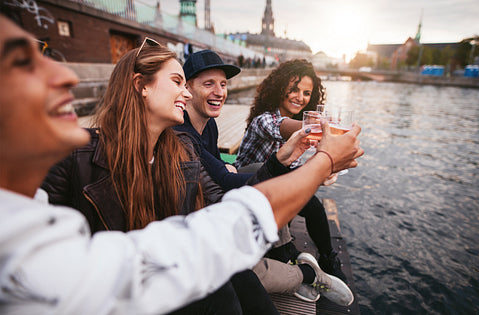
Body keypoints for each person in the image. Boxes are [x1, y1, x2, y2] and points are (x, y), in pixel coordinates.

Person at [0, 14, 363, 315]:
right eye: (180, 81)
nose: (189, 93)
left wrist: (288, 159)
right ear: (141, 86)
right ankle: (302, 270)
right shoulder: (72, 164)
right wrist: (323, 159)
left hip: (175, 265)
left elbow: (222, 202)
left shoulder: (180, 148)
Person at [174, 49, 349, 303]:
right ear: (186, 88)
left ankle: (310, 254)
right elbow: (221, 175)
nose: (220, 91)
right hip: (211, 218)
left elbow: (211, 168)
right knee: (243, 270)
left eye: (223, 84)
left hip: (223, 198)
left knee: (298, 193)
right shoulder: (261, 120)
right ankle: (303, 271)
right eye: (208, 84)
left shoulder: (208, 124)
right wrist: (318, 141)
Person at [235, 59, 351, 283]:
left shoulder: (298, 126)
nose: (300, 97)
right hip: (246, 183)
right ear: (280, 88)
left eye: (307, 92)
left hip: (274, 186)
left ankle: (327, 258)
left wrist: (323, 169)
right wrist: (323, 126)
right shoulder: (263, 119)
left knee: (313, 204)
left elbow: (294, 169)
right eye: (294, 89)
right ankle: (285, 253)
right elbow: (282, 127)